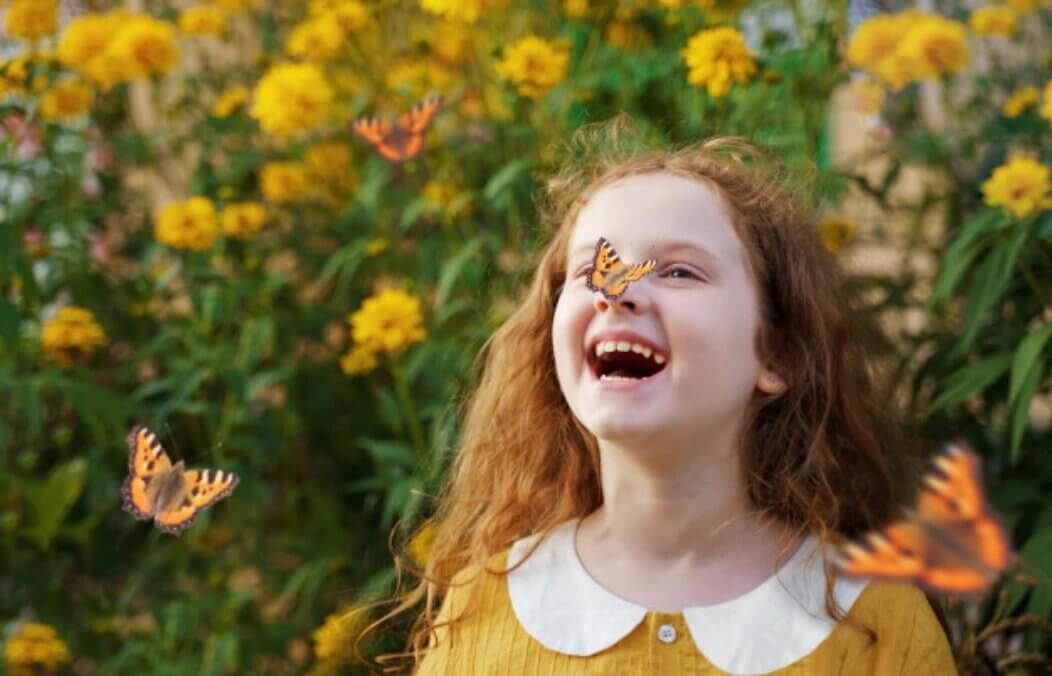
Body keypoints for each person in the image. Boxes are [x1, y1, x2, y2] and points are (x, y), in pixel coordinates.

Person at [370, 115, 957, 675]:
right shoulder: (485, 608)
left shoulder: (876, 620)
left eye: (679, 272)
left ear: (777, 355)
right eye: (593, 272)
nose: (616, 294)